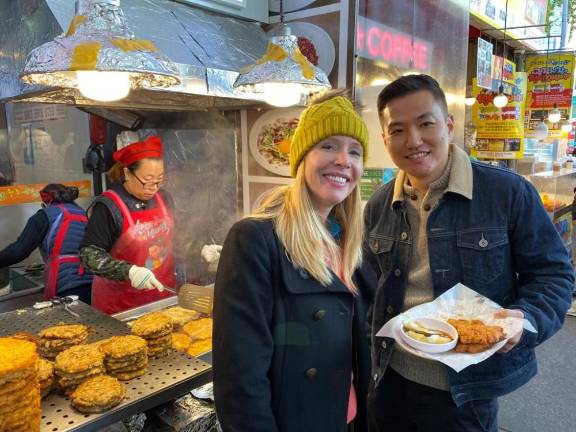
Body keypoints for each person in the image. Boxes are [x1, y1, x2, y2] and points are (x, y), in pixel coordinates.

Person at [364, 74, 574, 432]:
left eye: (425, 123)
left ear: (448, 124)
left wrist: (523, 320)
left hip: (465, 392)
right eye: (397, 130)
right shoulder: (380, 203)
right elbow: (369, 287)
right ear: (385, 139)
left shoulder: (506, 192)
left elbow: (554, 274)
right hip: (388, 379)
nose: (413, 141)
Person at [213, 93, 376, 432]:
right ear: (302, 158)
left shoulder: (350, 242)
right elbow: (240, 379)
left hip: (347, 419)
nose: (344, 160)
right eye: (328, 146)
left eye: (355, 151)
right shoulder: (256, 239)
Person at [79, 135, 175, 314]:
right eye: (147, 180)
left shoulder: (164, 198)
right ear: (127, 173)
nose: (154, 187)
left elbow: (177, 239)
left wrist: (199, 249)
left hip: (163, 298)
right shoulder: (109, 206)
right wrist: (129, 271)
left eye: (159, 179)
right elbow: (88, 254)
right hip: (121, 305)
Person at [0, 183, 93, 303]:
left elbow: (18, 251)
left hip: (66, 284)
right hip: (93, 283)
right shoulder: (83, 214)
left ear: (46, 201)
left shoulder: (45, 215)